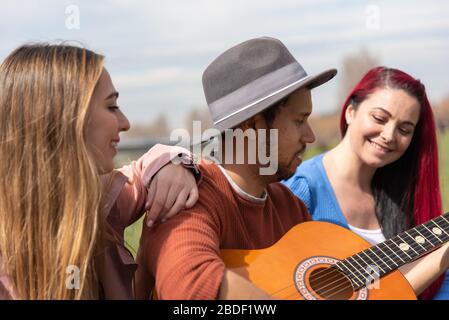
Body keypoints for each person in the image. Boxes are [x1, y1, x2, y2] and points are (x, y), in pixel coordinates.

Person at [134, 36, 337, 299]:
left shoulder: (290, 207)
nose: (310, 137)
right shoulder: (188, 197)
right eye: (299, 121)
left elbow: (328, 281)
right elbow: (192, 292)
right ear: (252, 126)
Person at [0, 43, 200, 299]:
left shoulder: (102, 200)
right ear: (68, 118)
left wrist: (174, 163)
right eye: (111, 106)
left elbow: (148, 166)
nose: (126, 123)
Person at [283, 66, 449, 299]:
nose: (389, 135)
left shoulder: (402, 196)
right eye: (380, 118)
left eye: (404, 129)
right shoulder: (301, 189)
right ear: (351, 111)